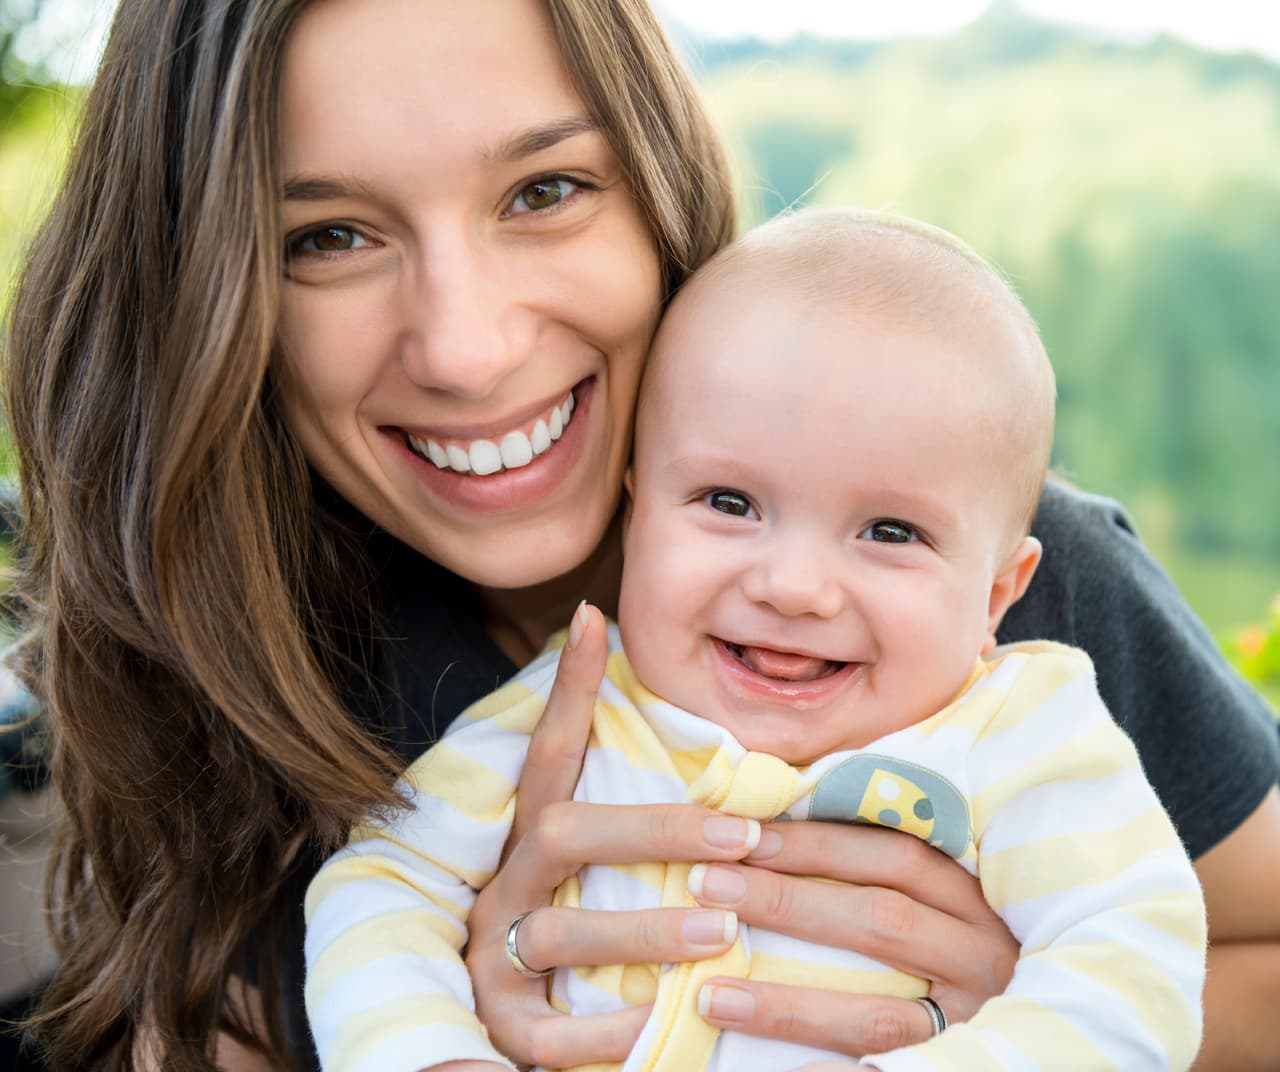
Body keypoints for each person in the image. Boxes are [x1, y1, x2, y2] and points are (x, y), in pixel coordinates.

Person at [1, 0, 1276, 1069]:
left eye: (544, 189)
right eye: (326, 236)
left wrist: (997, 1011)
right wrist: (455, 1023)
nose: (465, 347)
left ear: (657, 187)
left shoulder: (1008, 624)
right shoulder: (241, 663)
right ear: (204, 290)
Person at [302, 208, 1208, 1072]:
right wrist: (434, 1051)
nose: (794, 587)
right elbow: (382, 886)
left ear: (998, 595)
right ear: (637, 515)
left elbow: (1135, 962)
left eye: (889, 532)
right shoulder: (576, 708)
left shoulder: (1021, 738)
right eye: (729, 504)